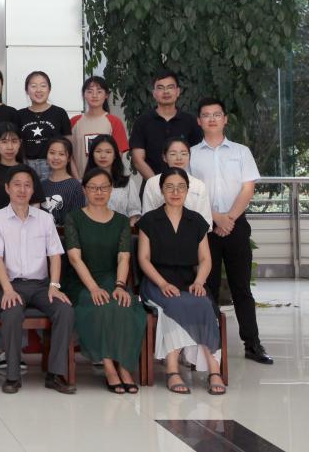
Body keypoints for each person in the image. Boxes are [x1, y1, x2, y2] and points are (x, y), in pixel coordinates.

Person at [189, 98, 272, 365]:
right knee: (208, 287)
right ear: (199, 121)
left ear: (225, 119)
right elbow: (189, 191)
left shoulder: (241, 152)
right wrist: (217, 219)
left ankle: (252, 344)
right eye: (206, 115)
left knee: (241, 287)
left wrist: (230, 219)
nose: (212, 119)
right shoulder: (191, 154)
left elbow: (248, 188)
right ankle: (211, 347)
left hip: (236, 225)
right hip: (205, 228)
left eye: (217, 114)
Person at [0, 165, 75, 394]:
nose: (22, 190)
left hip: (42, 286)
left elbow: (55, 255)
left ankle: (55, 374)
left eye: (27, 185)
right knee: (12, 311)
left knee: (64, 310)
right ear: (7, 188)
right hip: (10, 284)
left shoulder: (45, 219)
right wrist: (7, 289)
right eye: (17, 185)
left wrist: (54, 286)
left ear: (33, 189)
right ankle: (12, 376)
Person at [137, 168, 226, 394]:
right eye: (169, 187)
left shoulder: (196, 221)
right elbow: (143, 259)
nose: (175, 192)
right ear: (161, 190)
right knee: (174, 303)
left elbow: (205, 259)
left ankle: (214, 370)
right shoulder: (150, 220)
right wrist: (163, 284)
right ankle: (172, 370)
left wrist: (199, 282)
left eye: (181, 187)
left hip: (189, 280)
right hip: (157, 281)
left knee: (203, 303)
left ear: (187, 190)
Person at [62, 168, 147, 394]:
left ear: (111, 190)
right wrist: (93, 288)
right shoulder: (74, 218)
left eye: (104, 188)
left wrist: (120, 285)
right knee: (101, 305)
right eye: (93, 188)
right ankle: (109, 367)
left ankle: (125, 367)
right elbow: (75, 258)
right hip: (82, 282)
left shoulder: (121, 221)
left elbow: (123, 257)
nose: (99, 192)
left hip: (112, 278)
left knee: (124, 305)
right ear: (84, 190)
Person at [128, 70, 203, 179]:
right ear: (154, 93)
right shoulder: (142, 121)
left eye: (170, 87)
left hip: (184, 186)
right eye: (160, 88)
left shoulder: (191, 121)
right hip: (152, 185)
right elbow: (138, 160)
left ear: (178, 91)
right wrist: (157, 184)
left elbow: (197, 157)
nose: (166, 91)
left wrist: (181, 183)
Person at [141, 137, 213, 226]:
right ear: (164, 157)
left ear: (189, 157)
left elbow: (206, 223)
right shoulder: (152, 183)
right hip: (159, 233)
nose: (179, 158)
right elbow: (147, 219)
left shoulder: (199, 185)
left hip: (192, 233)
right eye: (173, 154)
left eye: (184, 154)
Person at [15, 71, 71, 181]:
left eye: (43, 86)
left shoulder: (59, 113)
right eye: (33, 86)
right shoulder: (19, 115)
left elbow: (69, 146)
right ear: (27, 90)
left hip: (54, 167)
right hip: (26, 168)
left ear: (49, 89)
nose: (38, 90)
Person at [69, 76, 129, 175]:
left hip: (107, 180)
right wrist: (77, 179)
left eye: (99, 91)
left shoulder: (114, 122)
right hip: (79, 179)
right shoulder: (74, 122)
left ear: (106, 95)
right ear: (84, 95)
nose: (94, 95)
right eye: (90, 91)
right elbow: (68, 154)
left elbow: (117, 155)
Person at [85, 135, 141, 225]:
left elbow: (134, 213)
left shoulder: (128, 183)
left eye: (108, 152)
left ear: (115, 155)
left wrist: (128, 230)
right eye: (98, 151)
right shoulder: (84, 183)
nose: (103, 156)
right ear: (92, 155)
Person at [40, 138, 85, 226]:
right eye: (52, 153)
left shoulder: (75, 186)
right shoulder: (41, 185)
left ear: (69, 158)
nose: (56, 157)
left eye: (61, 154)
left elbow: (77, 221)